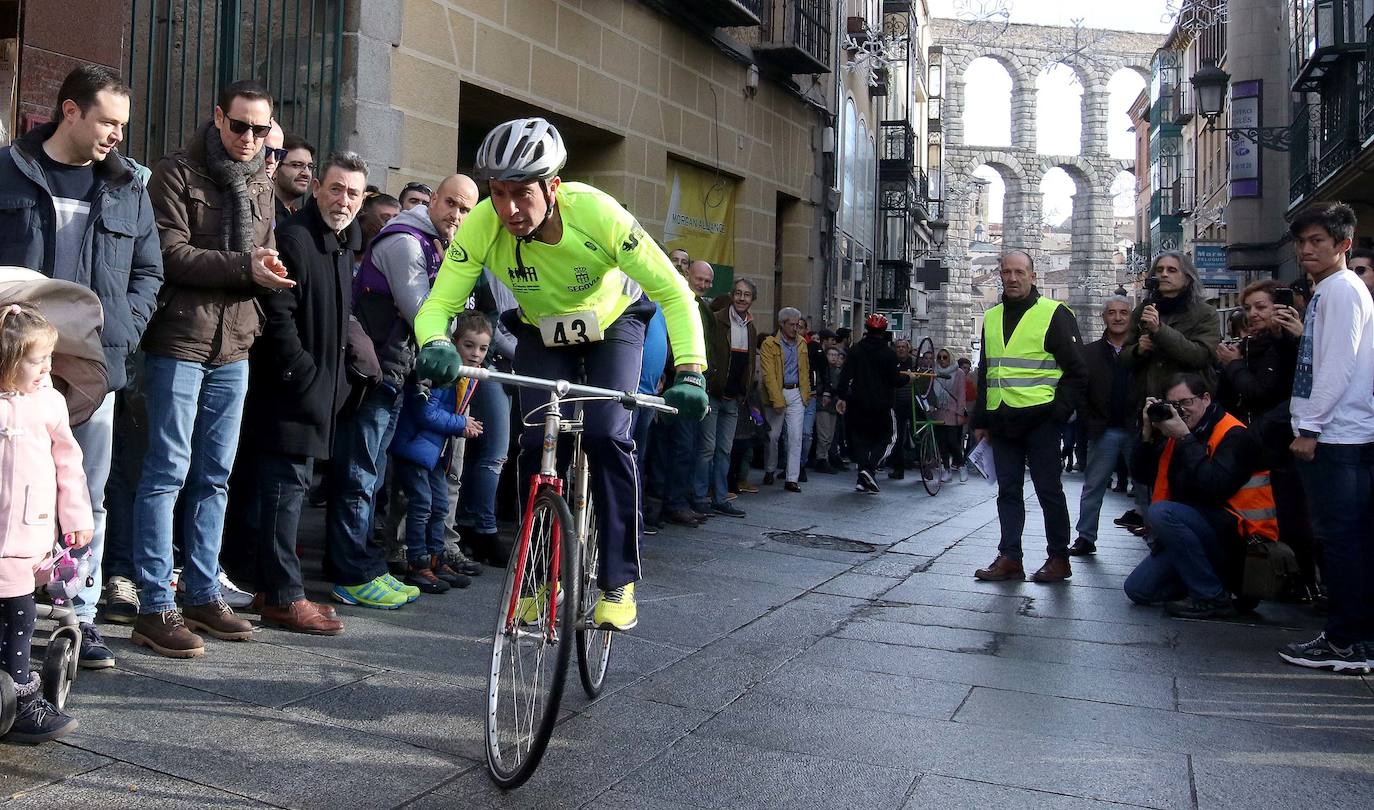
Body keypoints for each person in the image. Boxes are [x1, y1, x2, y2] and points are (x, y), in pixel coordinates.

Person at [413, 117, 708, 632]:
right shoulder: (484, 224)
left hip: (613, 322)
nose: (507, 209)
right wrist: (436, 342)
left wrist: (691, 371)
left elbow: (675, 293)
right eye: (497, 193)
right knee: (537, 444)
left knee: (604, 434)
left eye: (521, 194)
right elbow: (439, 302)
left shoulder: (597, 213)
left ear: (552, 187)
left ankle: (617, 580)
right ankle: (540, 578)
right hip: (541, 330)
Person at [0, 65, 165, 668]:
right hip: (12, 374)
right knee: (7, 492)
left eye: (124, 123)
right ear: (70, 111)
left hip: (94, 370)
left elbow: (149, 270)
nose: (118, 134)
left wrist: (123, 327)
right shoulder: (9, 170)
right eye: (108, 120)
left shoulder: (128, 187)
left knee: (84, 498)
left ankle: (79, 618)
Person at [134, 79, 291, 659]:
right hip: (179, 337)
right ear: (217, 118)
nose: (250, 139)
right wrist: (246, 267)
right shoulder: (174, 172)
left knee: (215, 474)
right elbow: (169, 253)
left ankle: (201, 589)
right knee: (166, 471)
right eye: (240, 126)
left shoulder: (262, 182)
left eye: (260, 130)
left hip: (236, 344)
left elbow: (263, 248)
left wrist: (265, 267)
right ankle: (154, 604)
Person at [330, 174, 479, 607]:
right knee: (359, 474)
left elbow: (450, 313)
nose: (457, 215)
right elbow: (427, 315)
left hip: (396, 371)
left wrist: (438, 308)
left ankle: (367, 565)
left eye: (467, 210)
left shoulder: (438, 244)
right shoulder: (407, 242)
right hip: (373, 373)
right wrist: (436, 308)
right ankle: (352, 573)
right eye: (451, 203)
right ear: (433, 201)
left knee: (371, 475)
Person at [239, 151, 371, 635]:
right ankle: (283, 596)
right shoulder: (297, 238)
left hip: (317, 395)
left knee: (282, 493)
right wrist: (305, 376)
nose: (343, 200)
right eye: (336, 189)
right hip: (289, 394)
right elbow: (278, 315)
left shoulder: (339, 243)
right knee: (282, 495)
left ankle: (269, 585)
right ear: (317, 188)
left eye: (353, 193)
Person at [1280, 203, 1374, 674]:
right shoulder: (1335, 289)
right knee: (1348, 540)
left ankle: (1346, 641)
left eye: (1318, 241)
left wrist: (1311, 426)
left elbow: (1337, 364)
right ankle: (1353, 637)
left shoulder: (1340, 291)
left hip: (1338, 436)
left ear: (1343, 244)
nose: (1307, 249)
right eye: (1302, 242)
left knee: (1341, 541)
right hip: (1341, 432)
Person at [0, 303, 93, 743]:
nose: (47, 369)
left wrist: (76, 516)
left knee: (18, 610)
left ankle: (20, 695)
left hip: (27, 529)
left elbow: (68, 462)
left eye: (49, 359)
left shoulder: (49, 402)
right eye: (37, 361)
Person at [972, 250, 1087, 583]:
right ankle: (1010, 557)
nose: (1012, 278)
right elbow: (986, 372)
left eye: (1019, 271)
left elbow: (1078, 372)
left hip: (1041, 421)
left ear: (1032, 276)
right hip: (1003, 420)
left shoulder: (1055, 314)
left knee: (1048, 490)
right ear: (1000, 275)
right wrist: (981, 420)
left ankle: (1059, 557)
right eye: (1006, 272)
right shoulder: (991, 317)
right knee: (1007, 491)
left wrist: (1058, 414)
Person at [1123, 374, 1277, 619]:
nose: (1180, 411)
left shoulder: (1233, 434)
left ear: (1205, 399)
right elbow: (1142, 475)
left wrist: (1185, 438)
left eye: (1186, 403)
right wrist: (1146, 433)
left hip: (1238, 541)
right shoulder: (1176, 433)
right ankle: (1206, 585)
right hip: (1195, 532)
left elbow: (1215, 485)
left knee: (1163, 512)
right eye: (1172, 405)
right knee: (1138, 590)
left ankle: (1211, 596)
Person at [1213, 280, 1313, 590]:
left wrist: (1234, 366)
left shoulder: (1285, 346)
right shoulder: (1249, 345)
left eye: (1261, 307)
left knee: (1290, 516)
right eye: (1248, 308)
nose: (1253, 314)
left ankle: (1299, 581)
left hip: (1279, 443)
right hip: (1252, 444)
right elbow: (1229, 398)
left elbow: (1259, 392)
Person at [1117, 251, 1220, 532]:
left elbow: (1201, 355)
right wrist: (1138, 350)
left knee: (1183, 482)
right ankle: (1154, 532)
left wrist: (1161, 332)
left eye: (1171, 270)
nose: (1163, 274)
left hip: (1188, 415)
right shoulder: (1143, 311)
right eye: (1159, 269)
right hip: (1150, 411)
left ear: (1187, 277)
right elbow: (1123, 356)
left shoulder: (1205, 314)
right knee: (1148, 480)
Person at [390, 313, 489, 594]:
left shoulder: (465, 376)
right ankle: (417, 562)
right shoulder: (440, 371)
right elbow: (424, 412)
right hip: (414, 448)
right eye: (469, 346)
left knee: (439, 505)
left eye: (482, 348)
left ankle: (435, 558)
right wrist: (461, 424)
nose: (475, 354)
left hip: (433, 453)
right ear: (454, 343)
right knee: (421, 505)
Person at [1071, 296, 1146, 556]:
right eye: (1112, 312)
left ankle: (1155, 533)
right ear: (1103, 317)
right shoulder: (1089, 353)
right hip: (1103, 428)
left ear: (1131, 317)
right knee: (1094, 485)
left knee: (1145, 484)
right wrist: (1088, 419)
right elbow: (1079, 391)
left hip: (1137, 428)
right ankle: (1085, 537)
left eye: (1123, 312)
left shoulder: (1142, 349)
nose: (1117, 317)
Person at [663, 259, 715, 525]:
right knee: (681, 448)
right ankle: (674, 503)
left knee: (690, 447)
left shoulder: (701, 306)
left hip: (695, 384)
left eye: (708, 281)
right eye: (699, 279)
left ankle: (680, 501)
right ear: (687, 276)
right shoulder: (678, 302)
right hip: (680, 385)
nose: (703, 284)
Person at [701, 278, 757, 518]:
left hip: (733, 398)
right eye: (738, 293)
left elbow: (749, 362)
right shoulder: (717, 320)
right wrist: (712, 380)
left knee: (724, 449)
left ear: (752, 299)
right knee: (706, 449)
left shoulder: (751, 327)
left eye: (746, 295)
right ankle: (699, 497)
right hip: (714, 394)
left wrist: (745, 391)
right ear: (732, 295)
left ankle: (720, 498)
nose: (742, 298)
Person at [836, 315, 906, 493]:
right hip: (882, 404)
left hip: (857, 402)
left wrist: (842, 397)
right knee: (889, 438)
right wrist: (908, 378)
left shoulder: (855, 350)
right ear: (883, 331)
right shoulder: (888, 353)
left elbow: (844, 376)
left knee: (860, 440)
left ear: (867, 329)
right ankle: (870, 468)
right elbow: (895, 380)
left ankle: (863, 477)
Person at [759, 307, 810, 492]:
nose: (796, 328)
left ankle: (791, 478)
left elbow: (804, 371)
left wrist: (806, 394)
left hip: (796, 392)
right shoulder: (769, 344)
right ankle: (770, 469)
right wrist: (776, 399)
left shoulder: (802, 343)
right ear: (781, 324)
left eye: (798, 325)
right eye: (792, 324)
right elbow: (768, 374)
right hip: (778, 391)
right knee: (773, 436)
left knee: (795, 437)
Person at [931, 347, 969, 482]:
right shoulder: (934, 372)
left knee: (952, 441)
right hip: (938, 411)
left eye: (945, 357)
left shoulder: (958, 373)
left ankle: (961, 465)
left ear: (950, 358)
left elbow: (961, 394)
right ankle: (947, 469)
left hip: (952, 411)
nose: (942, 360)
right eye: (940, 357)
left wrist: (959, 412)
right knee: (941, 442)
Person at [813, 346, 845, 474]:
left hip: (834, 406)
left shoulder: (838, 372)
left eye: (835, 355)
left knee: (830, 435)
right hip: (823, 405)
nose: (833, 357)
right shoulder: (823, 370)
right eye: (830, 354)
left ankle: (825, 458)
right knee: (824, 435)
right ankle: (821, 459)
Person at [272, 133, 315, 222]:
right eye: (296, 165)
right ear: (275, 169)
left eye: (310, 167)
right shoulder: (263, 213)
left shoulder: (298, 216)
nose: (306, 173)